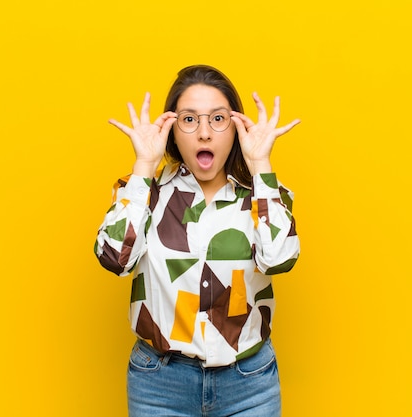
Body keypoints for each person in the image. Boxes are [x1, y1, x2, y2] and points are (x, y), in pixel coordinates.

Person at [94, 64, 301, 416]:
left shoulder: (263, 196)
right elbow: (115, 259)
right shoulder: (143, 192)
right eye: (189, 120)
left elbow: (279, 258)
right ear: (172, 131)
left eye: (218, 119)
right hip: (159, 384)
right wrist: (145, 166)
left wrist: (261, 164)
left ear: (235, 129)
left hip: (249, 383)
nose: (204, 133)